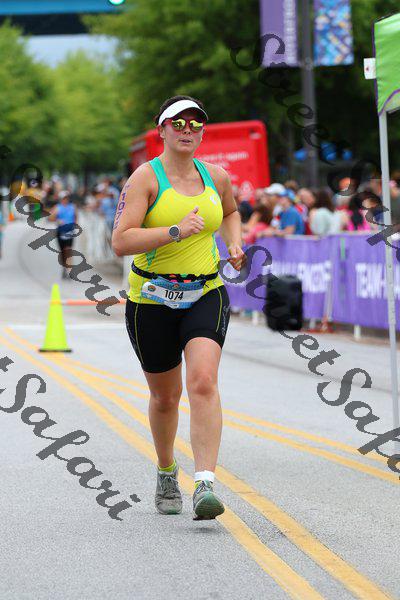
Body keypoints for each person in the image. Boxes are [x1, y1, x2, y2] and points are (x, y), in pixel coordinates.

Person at [112, 95, 246, 520]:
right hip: (152, 298)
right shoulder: (144, 179)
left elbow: (231, 211)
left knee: (203, 381)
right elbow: (121, 241)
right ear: (162, 130)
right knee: (165, 397)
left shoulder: (217, 176)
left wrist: (235, 242)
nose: (188, 130)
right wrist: (174, 231)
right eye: (179, 123)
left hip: (206, 290)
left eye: (196, 124)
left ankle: (204, 483)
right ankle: (167, 469)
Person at [49, 191, 77, 278]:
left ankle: (69, 270)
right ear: (61, 199)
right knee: (62, 252)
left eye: (66, 198)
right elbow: (50, 218)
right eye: (64, 198)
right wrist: (57, 220)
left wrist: (74, 224)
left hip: (70, 231)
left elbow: (76, 217)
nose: (65, 200)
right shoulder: (57, 208)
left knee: (68, 250)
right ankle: (64, 268)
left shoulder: (72, 207)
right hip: (61, 231)